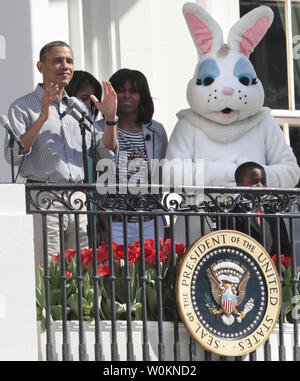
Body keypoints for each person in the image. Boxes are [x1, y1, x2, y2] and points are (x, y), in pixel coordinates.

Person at [4, 41, 118, 269]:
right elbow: (14, 155)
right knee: (50, 271)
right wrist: (43, 116)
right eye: (58, 60)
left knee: (82, 272)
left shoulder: (77, 106)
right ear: (41, 66)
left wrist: (110, 120)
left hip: (78, 199)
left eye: (69, 61)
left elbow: (105, 151)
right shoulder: (23, 106)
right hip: (45, 197)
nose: (65, 66)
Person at [91, 68, 168, 245]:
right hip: (114, 220)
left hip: (150, 219)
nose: (126, 95)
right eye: (121, 90)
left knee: (151, 270)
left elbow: (161, 171)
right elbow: (95, 174)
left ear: (142, 96)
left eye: (133, 91)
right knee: (118, 271)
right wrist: (102, 219)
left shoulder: (156, 130)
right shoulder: (98, 128)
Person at [222, 161, 291, 258]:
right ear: (239, 185)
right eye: (254, 182)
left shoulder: (272, 210)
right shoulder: (231, 212)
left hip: (273, 269)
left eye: (263, 181)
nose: (260, 186)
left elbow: (284, 245)